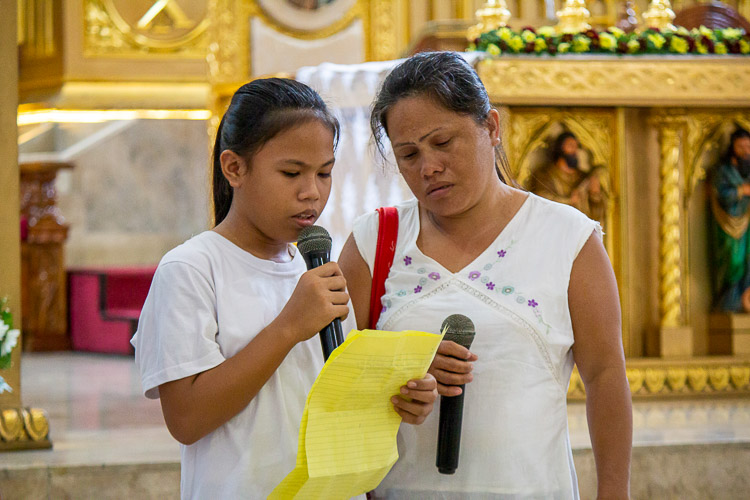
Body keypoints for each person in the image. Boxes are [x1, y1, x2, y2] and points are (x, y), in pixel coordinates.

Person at [338, 52, 632, 499]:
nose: (428, 167)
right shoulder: (374, 240)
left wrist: (615, 492)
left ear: (491, 127)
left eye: (443, 142)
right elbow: (330, 378)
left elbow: (606, 376)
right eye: (408, 154)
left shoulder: (567, 238)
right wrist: (392, 372)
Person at [131, 78, 437, 499]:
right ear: (234, 168)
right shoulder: (192, 269)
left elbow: (325, 402)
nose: (312, 192)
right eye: (291, 173)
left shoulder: (315, 268)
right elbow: (187, 420)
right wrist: (288, 327)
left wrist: (397, 400)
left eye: (324, 173)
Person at [527, 131, 608, 228]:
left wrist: (595, 195)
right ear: (560, 148)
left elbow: (596, 216)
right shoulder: (545, 174)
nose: (575, 150)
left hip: (578, 231)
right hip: (554, 229)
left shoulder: (583, 177)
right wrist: (568, 200)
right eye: (570, 146)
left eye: (576, 146)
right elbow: (540, 201)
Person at [709, 127, 750, 312]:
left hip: (748, 222)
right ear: (733, 147)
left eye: (748, 147)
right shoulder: (723, 170)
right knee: (734, 261)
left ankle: (745, 298)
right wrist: (741, 191)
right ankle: (729, 302)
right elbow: (721, 194)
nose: (745, 151)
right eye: (741, 146)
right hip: (728, 223)